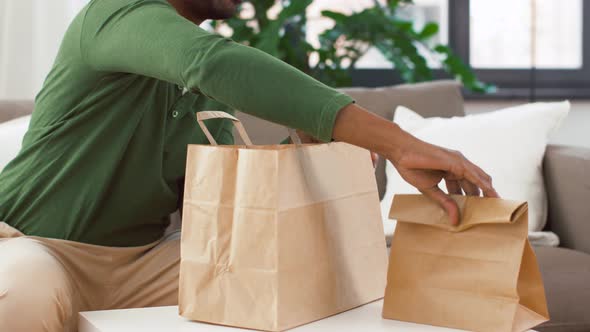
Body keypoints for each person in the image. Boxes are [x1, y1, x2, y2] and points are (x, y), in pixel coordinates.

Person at [0, 0, 498, 330]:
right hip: (32, 241)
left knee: (300, 288)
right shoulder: (116, 13)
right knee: (24, 295)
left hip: (141, 262)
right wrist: (400, 145)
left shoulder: (206, 100)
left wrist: (311, 142)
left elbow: (224, 204)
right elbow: (212, 61)